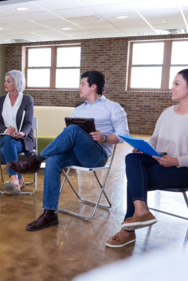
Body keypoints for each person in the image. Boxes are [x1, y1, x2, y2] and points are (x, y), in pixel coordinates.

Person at [8, 71, 129, 231]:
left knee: (73, 129)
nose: (79, 87)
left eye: (82, 84)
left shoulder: (113, 108)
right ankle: (50, 213)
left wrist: (104, 137)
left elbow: (124, 135)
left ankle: (35, 160)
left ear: (93, 87)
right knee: (53, 159)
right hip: (78, 152)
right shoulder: (78, 110)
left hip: (98, 155)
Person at [106, 69, 188, 248]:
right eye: (172, 84)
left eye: (176, 84)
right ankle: (141, 210)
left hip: (185, 169)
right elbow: (155, 139)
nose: (171, 87)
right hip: (160, 160)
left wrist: (176, 161)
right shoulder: (167, 112)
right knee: (132, 159)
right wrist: (144, 148)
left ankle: (128, 231)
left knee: (136, 178)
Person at [0, 70, 34, 195]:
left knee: (3, 151)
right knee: (7, 139)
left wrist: (22, 133)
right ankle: (17, 179)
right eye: (5, 81)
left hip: (22, 139)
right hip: (5, 138)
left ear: (17, 83)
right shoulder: (0, 101)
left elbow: (28, 122)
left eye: (8, 81)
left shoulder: (27, 100)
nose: (4, 84)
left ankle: (15, 180)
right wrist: (6, 130)